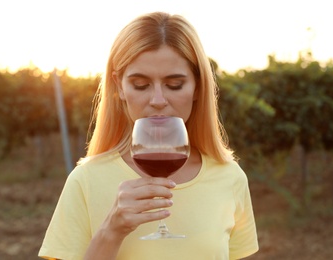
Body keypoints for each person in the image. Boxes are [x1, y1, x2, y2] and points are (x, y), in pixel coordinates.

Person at [39, 11, 258, 260]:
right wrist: (111, 230)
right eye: (140, 85)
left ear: (197, 86)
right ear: (119, 87)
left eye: (174, 85)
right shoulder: (86, 181)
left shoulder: (230, 178)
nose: (157, 101)